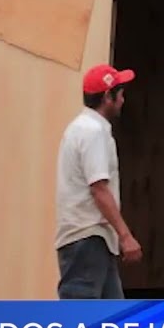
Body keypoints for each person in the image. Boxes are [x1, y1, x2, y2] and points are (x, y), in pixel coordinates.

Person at [54, 63, 143, 299]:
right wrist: (125, 236)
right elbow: (99, 189)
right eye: (120, 94)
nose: (123, 100)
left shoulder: (83, 128)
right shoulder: (93, 132)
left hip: (95, 240)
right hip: (87, 240)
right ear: (107, 97)